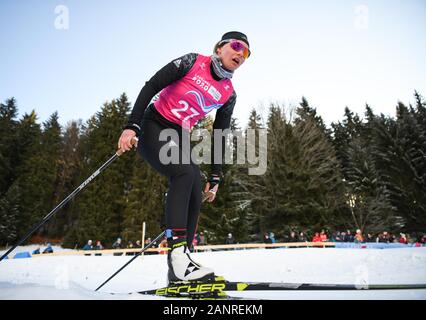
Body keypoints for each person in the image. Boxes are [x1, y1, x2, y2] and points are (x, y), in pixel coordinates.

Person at [118, 31, 250, 283]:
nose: (240, 54)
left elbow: (220, 134)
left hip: (178, 135)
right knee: (184, 173)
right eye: (236, 46)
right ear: (220, 47)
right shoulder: (191, 62)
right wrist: (131, 125)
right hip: (153, 124)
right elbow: (152, 85)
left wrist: (215, 175)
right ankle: (179, 259)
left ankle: (181, 264)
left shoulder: (228, 93)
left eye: (246, 52)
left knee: (194, 184)